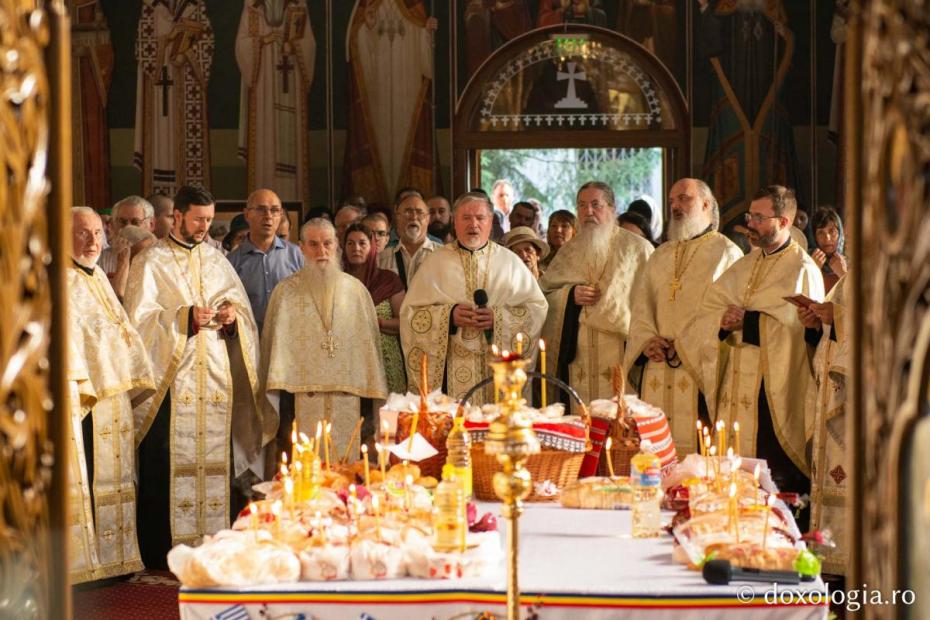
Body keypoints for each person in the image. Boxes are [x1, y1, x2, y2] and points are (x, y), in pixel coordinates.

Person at [124, 185, 269, 569]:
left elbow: (242, 314)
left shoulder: (217, 259)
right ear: (177, 217)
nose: (205, 226)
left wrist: (232, 319)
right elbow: (138, 323)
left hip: (216, 377)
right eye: (199, 219)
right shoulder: (151, 260)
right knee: (164, 461)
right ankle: (162, 551)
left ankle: (212, 544)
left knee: (215, 459)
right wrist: (183, 318)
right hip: (172, 382)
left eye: (209, 219)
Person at [677, 185, 824, 516]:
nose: (751, 224)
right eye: (750, 216)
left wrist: (751, 320)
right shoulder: (745, 264)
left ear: (783, 221)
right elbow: (710, 308)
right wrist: (725, 323)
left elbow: (803, 331)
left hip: (772, 395)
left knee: (772, 478)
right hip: (736, 385)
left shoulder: (802, 268)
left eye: (759, 217)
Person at [67, 207, 155, 584]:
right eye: (82, 233)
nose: (92, 241)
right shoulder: (57, 280)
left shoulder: (99, 275)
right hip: (84, 398)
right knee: (89, 478)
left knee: (117, 480)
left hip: (113, 395)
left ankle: (117, 558)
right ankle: (89, 564)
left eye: (97, 234)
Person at [623, 179, 743, 454]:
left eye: (684, 199)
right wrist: (646, 342)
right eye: (672, 200)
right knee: (653, 457)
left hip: (699, 370)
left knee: (697, 459)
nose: (675, 206)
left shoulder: (726, 252)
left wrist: (687, 343)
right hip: (657, 365)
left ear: (706, 204)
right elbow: (641, 308)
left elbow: (726, 314)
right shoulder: (660, 255)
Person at [400, 192, 548, 404]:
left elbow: (537, 308)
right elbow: (410, 315)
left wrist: (498, 318)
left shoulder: (510, 262)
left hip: (496, 368)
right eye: (466, 218)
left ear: (490, 222)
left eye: (480, 218)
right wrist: (448, 316)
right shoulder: (435, 262)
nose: (473, 224)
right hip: (451, 372)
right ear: (454, 221)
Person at [260, 218, 388, 458]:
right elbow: (273, 352)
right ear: (301, 248)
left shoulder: (356, 291)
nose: (322, 251)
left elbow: (370, 352)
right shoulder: (285, 292)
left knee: (348, 467)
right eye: (314, 244)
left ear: (336, 244)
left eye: (327, 243)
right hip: (297, 398)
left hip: (349, 397)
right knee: (304, 470)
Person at [540, 181, 653, 412]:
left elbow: (652, 303)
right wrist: (569, 296)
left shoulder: (638, 249)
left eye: (595, 205)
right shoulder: (569, 250)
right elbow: (544, 295)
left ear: (612, 208)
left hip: (620, 352)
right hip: (578, 356)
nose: (587, 211)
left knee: (620, 419)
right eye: (581, 205)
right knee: (581, 419)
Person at [343, 0, 437, 209]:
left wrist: (426, 33)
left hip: (408, 91)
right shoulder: (367, 5)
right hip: (378, 95)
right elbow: (355, 53)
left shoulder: (414, 6)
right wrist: (366, 27)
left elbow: (427, 69)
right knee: (380, 141)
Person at [235, 0, 316, 205]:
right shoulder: (253, 6)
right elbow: (241, 44)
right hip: (263, 84)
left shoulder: (297, 4)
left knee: (290, 137)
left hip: (292, 83)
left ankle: (293, 205)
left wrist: (294, 45)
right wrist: (263, 40)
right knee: (264, 135)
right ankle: (262, 202)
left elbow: (309, 44)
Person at [133, 0, 214, 196]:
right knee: (159, 133)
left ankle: (190, 196)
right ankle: (158, 199)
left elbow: (207, 41)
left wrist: (186, 52)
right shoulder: (151, 7)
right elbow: (142, 45)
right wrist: (167, 39)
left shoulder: (195, 6)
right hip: (158, 83)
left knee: (189, 143)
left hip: (189, 82)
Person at [798, 274, 849, 576]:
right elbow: (830, 341)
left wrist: (838, 317)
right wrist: (816, 327)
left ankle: (847, 568)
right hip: (831, 393)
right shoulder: (846, 279)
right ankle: (828, 565)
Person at [227, 189, 305, 332]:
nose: (268, 216)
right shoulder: (232, 262)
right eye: (261, 210)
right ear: (247, 214)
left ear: (281, 215)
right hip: (251, 343)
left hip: (289, 339)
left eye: (275, 210)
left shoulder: (297, 255)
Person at [343, 222, 407, 394]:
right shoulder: (338, 282)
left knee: (386, 417)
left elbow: (406, 323)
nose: (356, 248)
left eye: (362, 243)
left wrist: (379, 323)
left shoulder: (388, 280)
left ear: (372, 246)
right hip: (348, 361)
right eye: (350, 243)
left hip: (385, 361)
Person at [378, 191, 440, 289]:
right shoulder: (381, 259)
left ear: (428, 219)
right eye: (408, 212)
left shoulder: (443, 255)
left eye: (420, 212)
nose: (414, 217)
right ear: (398, 217)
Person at [97, 195, 155, 293]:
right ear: (112, 225)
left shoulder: (163, 259)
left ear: (151, 225)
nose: (128, 227)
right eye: (122, 222)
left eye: (135, 222)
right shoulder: (99, 260)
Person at [810, 206, 847, 293]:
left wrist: (843, 273)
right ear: (814, 237)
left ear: (840, 233)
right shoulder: (807, 259)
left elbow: (861, 300)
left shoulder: (853, 262)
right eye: (820, 233)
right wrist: (812, 270)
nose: (827, 238)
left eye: (832, 231)